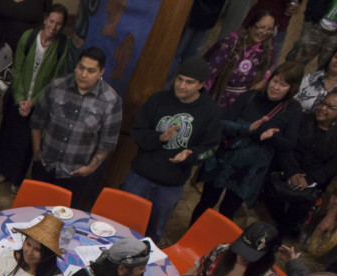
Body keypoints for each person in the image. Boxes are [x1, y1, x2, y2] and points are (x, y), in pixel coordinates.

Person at [120, 57, 223, 243]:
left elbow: (210, 148)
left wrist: (190, 155)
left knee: (153, 233)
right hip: (140, 176)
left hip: (171, 185)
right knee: (121, 223)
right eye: (179, 79)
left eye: (189, 82)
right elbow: (137, 132)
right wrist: (159, 138)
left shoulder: (211, 112)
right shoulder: (157, 100)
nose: (182, 86)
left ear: (201, 84)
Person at [191, 62, 302, 224]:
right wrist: (248, 129)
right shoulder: (251, 96)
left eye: (283, 85)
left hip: (249, 171)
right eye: (274, 81)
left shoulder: (293, 109)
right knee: (206, 203)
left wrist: (271, 137)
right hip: (225, 160)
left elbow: (289, 143)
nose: (276, 87)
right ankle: (188, 239)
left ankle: (212, 247)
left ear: (291, 89)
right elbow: (223, 122)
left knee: (228, 211)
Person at [0, 4, 70, 192]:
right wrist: (20, 98)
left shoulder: (62, 46)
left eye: (59, 23)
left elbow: (55, 79)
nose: (54, 26)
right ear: (45, 20)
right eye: (51, 21)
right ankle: (3, 171)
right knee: (9, 135)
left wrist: (33, 102)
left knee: (27, 142)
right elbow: (16, 68)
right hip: (18, 97)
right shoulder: (29, 36)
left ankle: (17, 179)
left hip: (40, 103)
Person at [30, 47, 122, 209]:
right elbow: (37, 120)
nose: (84, 74)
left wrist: (90, 168)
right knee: (32, 213)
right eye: (81, 68)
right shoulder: (57, 86)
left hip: (75, 174)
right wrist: (37, 150)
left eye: (91, 71)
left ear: (101, 72)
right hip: (45, 165)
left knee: (63, 223)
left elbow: (108, 142)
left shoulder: (111, 100)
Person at [265, 88, 337, 239]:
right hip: (287, 168)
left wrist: (309, 179)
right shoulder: (303, 119)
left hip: (312, 179)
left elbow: (332, 165)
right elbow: (285, 147)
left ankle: (279, 235)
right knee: (272, 189)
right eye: (322, 103)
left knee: (303, 205)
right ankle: (279, 223)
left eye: (330, 107)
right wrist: (292, 172)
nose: (323, 108)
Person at [204, 11, 277, 109]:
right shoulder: (230, 43)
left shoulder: (269, 48)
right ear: (250, 25)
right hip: (218, 100)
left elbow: (268, 73)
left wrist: (263, 81)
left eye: (269, 29)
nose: (264, 32)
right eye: (261, 27)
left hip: (245, 104)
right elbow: (210, 74)